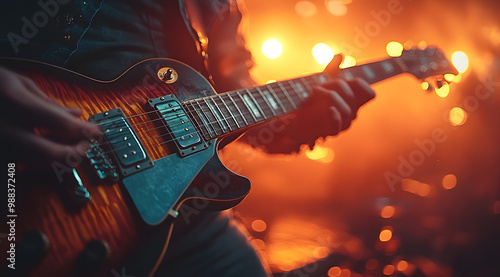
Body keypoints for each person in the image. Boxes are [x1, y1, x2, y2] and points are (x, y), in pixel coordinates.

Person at [0, 1, 375, 276]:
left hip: (185, 219)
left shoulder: (222, 9)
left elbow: (235, 95)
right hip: (39, 187)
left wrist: (297, 125)